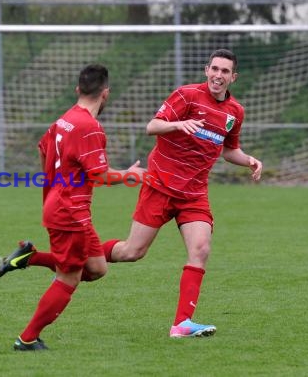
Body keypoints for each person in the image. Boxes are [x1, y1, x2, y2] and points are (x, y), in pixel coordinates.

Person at [104, 48, 263, 337]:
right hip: (160, 186)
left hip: (194, 194)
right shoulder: (187, 95)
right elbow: (152, 126)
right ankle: (79, 257)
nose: (218, 75)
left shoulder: (235, 112)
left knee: (200, 249)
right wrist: (178, 124)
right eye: (214, 69)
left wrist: (249, 160)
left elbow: (229, 150)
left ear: (233, 77)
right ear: (206, 70)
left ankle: (182, 324)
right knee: (132, 252)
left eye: (225, 71)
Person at [0, 64, 145, 351]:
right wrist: (132, 175)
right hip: (69, 212)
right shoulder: (89, 127)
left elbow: (42, 149)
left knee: (97, 268)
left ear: (78, 90)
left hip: (66, 206)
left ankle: (30, 257)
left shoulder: (64, 120)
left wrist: (54, 184)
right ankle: (27, 338)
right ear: (106, 94)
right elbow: (100, 175)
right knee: (70, 276)